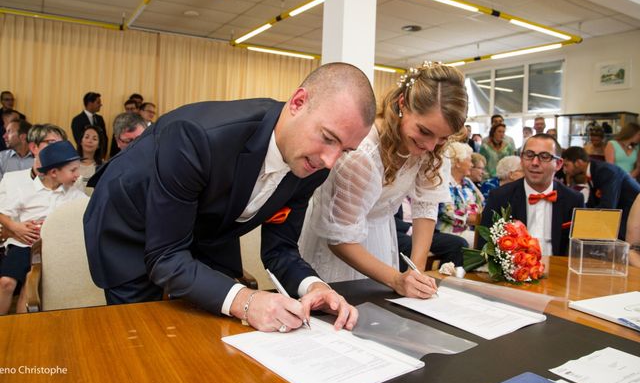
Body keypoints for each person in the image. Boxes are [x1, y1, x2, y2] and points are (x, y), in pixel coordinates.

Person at [84, 62, 376, 333]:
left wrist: (313, 287)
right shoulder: (198, 137)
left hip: (208, 226)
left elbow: (281, 249)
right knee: (143, 333)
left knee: (211, 328)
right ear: (298, 103)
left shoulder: (312, 166)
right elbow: (166, 256)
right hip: (130, 222)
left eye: (345, 150)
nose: (330, 161)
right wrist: (247, 301)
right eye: (328, 137)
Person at [299, 62, 467, 298]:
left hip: (380, 236)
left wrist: (414, 271)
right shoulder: (362, 155)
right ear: (402, 105)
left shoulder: (432, 150)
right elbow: (339, 240)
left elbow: (425, 207)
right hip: (341, 247)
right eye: (424, 131)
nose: (430, 146)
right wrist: (396, 279)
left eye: (442, 138)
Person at [0, 140, 85, 314]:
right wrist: (15, 227)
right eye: (73, 170)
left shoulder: (75, 195)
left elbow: (93, 210)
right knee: (6, 282)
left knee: (31, 286)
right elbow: (2, 213)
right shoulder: (25, 190)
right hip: (23, 245)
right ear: (54, 172)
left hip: (51, 250)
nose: (78, 175)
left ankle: (22, 330)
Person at [480, 134, 584, 256]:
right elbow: (484, 247)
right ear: (521, 160)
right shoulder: (500, 197)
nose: (534, 162)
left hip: (558, 269)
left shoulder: (573, 199)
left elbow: (579, 251)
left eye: (544, 157)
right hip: (513, 271)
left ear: (559, 164)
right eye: (529, 155)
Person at [562, 146, 640, 241]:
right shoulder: (594, 172)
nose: (565, 170)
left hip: (632, 215)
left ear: (578, 163)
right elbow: (592, 204)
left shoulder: (605, 171)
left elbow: (608, 208)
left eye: (566, 165)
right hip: (624, 214)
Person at [395, 198, 466, 268]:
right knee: (411, 244)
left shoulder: (420, 192)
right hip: (400, 230)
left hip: (423, 228)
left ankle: (444, 277)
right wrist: (410, 230)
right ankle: (407, 277)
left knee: (459, 244)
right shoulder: (396, 192)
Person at [437, 142, 483, 247]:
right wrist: (472, 218)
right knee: (486, 243)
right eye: (469, 160)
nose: (472, 165)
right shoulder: (443, 182)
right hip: (448, 232)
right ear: (458, 162)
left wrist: (478, 217)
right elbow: (446, 212)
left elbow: (480, 203)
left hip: (469, 230)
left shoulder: (467, 183)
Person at [71, 92, 108, 159]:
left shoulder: (100, 119)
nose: (101, 105)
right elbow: (78, 140)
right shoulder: (77, 120)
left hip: (99, 157)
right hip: (83, 157)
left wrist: (103, 155)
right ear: (90, 103)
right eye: (98, 102)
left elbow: (104, 138)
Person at [75, 125, 104, 192]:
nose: (90, 141)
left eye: (94, 139)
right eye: (87, 137)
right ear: (81, 141)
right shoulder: (70, 164)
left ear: (99, 145)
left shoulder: (102, 166)